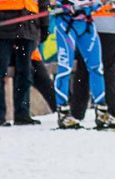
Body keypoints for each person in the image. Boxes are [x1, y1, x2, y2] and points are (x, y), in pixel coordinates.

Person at [0, 0, 49, 126]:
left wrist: (44, 24)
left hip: (28, 24)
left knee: (25, 72)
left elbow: (43, 2)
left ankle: (22, 114)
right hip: (3, 24)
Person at [54, 1, 115, 129]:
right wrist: (61, 3)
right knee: (65, 68)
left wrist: (96, 3)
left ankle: (101, 112)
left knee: (97, 68)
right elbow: (51, 3)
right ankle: (63, 112)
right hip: (66, 23)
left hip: (87, 23)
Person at [70, 2, 115, 122]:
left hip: (89, 25)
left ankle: (77, 111)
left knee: (84, 70)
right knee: (105, 70)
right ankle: (109, 109)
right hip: (100, 26)